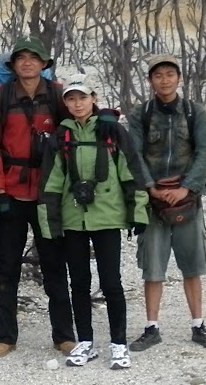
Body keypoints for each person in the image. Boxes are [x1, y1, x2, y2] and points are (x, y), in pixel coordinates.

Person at [37, 74, 143, 370]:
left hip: (107, 217)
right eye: (71, 98)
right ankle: (85, 341)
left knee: (112, 283)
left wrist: (138, 213)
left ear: (93, 99)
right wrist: (51, 225)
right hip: (74, 220)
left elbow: (131, 172)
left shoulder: (112, 132)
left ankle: (119, 343)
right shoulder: (61, 137)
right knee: (79, 283)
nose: (77, 103)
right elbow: (51, 184)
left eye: (82, 97)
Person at [122, 56, 206, 351]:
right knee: (152, 267)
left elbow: (203, 153)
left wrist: (186, 188)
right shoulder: (140, 114)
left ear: (179, 78)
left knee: (192, 265)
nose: (164, 80)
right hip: (152, 202)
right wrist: (151, 188)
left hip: (187, 200)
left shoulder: (195, 113)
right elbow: (134, 154)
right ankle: (151, 327)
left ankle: (198, 325)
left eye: (170, 74)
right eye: (158, 75)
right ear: (150, 80)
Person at [0, 37, 72, 358]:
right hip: (10, 190)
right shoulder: (0, 96)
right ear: (13, 65)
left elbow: (74, 131)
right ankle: (5, 335)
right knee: (7, 265)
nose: (27, 63)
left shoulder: (59, 94)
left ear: (44, 63)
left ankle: (63, 333)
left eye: (34, 58)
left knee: (53, 262)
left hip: (48, 192)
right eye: (21, 58)